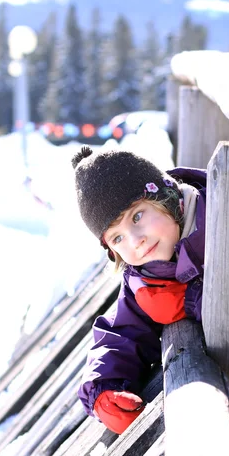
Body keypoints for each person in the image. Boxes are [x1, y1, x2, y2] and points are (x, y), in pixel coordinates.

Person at [71, 145, 206, 435]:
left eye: (136, 216)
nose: (135, 241)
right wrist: (104, 390)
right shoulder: (144, 275)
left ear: (165, 197)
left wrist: (192, 300)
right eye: (117, 237)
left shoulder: (222, 218)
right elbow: (123, 332)